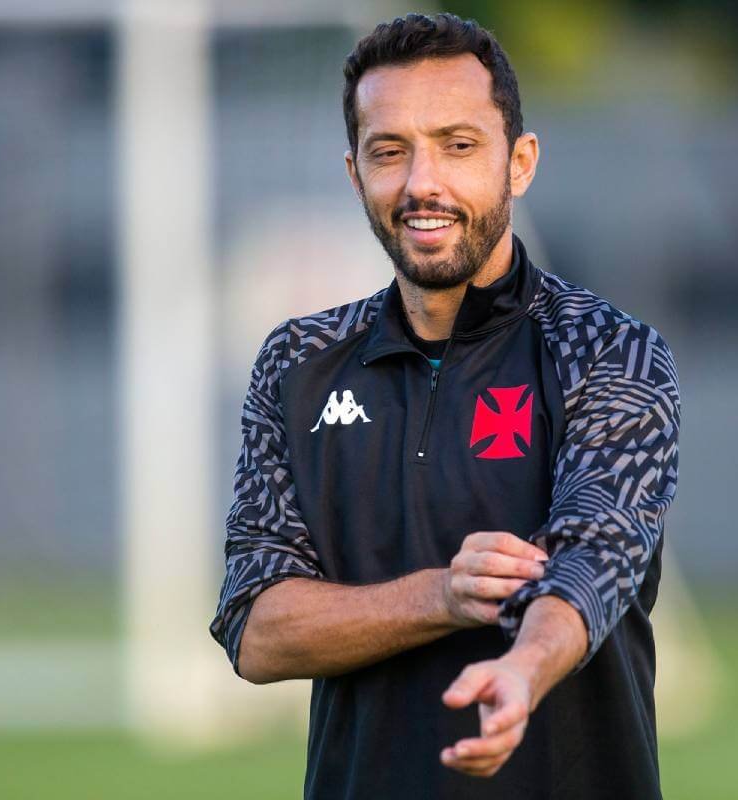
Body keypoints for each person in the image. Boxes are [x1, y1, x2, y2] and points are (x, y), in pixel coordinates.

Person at [209, 12, 680, 799]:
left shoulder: (608, 349)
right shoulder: (297, 363)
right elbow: (255, 628)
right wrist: (443, 595)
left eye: (458, 146)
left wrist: (522, 670)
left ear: (519, 162)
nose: (422, 183)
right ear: (356, 173)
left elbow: (595, 562)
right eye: (389, 151)